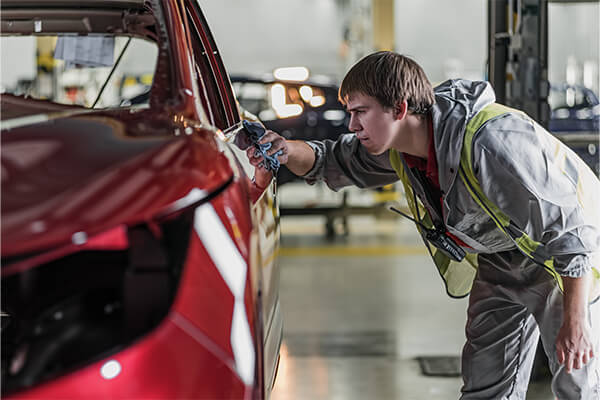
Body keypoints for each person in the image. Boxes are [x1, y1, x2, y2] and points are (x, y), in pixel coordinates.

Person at [248, 51, 600, 399]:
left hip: (565, 262)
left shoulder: (490, 142)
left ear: (399, 109)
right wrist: (284, 149)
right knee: (486, 384)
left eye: (360, 112)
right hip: (501, 257)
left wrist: (576, 320)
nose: (352, 125)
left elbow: (572, 233)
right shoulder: (402, 147)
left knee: (577, 381)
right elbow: (335, 160)